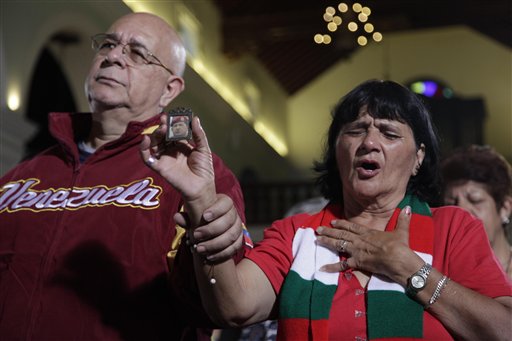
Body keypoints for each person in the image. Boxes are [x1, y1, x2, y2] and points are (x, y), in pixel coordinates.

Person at [143, 79, 512, 340]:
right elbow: (234, 307)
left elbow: (503, 330)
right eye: (355, 130)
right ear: (337, 153)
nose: (369, 141)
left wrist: (408, 268)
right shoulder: (297, 233)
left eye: (389, 132)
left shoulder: (453, 228)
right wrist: (201, 198)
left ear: (418, 159)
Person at [0, 12, 250, 341]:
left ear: (169, 89)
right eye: (107, 45)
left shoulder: (194, 172)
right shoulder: (23, 177)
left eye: (137, 53)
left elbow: (222, 305)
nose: (113, 57)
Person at [441, 144, 512, 278]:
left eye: (475, 200)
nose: (461, 211)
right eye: (451, 203)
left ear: (505, 208)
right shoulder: (441, 276)